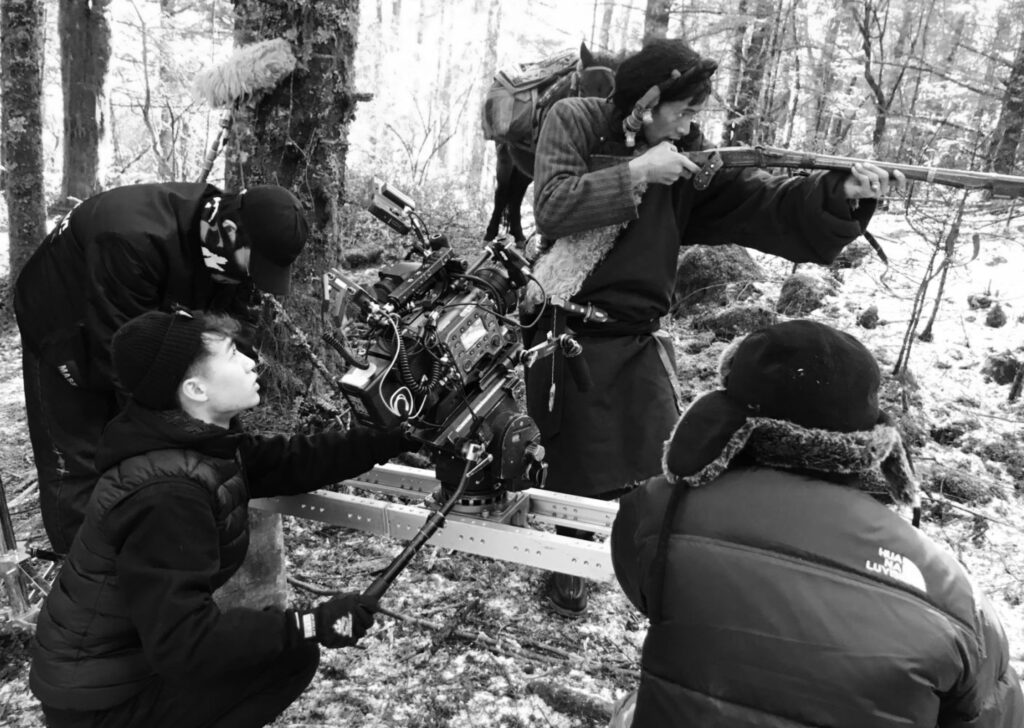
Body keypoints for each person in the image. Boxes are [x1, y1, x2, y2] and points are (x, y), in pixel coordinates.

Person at [522, 36, 905, 617]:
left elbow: (757, 202)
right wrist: (639, 173)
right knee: (570, 465)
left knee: (659, 463)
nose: (688, 123)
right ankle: (565, 563)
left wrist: (837, 194)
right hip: (567, 324)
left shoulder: (687, 155)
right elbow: (552, 205)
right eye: (682, 109)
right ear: (647, 102)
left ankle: (646, 563)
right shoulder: (573, 117)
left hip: (636, 337)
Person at [610, 320, 1024, 727]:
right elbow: (997, 710)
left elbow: (642, 586)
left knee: (629, 709)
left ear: (725, 424)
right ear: (875, 445)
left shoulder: (659, 507)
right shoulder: (952, 593)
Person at [29, 309, 414, 727]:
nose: (252, 362)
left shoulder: (194, 441)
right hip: (101, 704)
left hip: (122, 670)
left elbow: (287, 462)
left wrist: (389, 438)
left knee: (289, 651)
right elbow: (185, 644)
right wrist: (310, 624)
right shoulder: (167, 495)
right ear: (195, 389)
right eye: (233, 355)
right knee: (290, 653)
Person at [14, 182, 309, 554]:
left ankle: (144, 549)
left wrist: (223, 405)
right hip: (62, 323)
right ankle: (83, 580)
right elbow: (126, 361)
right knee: (81, 455)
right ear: (232, 234)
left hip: (139, 307)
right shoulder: (129, 237)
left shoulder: (222, 241)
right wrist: (181, 430)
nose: (254, 278)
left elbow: (229, 327)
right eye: (256, 265)